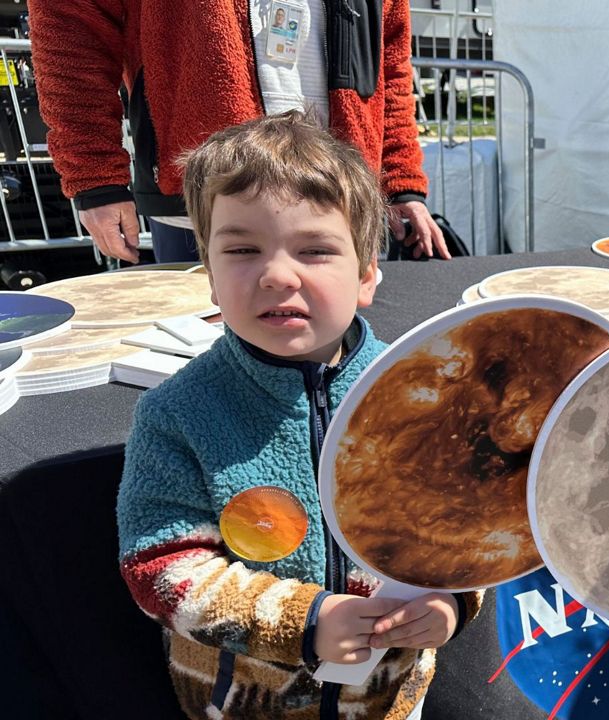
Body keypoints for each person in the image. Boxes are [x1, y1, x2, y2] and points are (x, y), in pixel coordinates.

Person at [116, 112, 479, 720]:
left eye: (314, 250)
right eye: (241, 249)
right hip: (243, 705)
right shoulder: (176, 415)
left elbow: (475, 530)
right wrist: (303, 621)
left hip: (391, 700)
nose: (278, 274)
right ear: (208, 274)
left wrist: (451, 602)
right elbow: (160, 566)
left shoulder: (424, 394)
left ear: (366, 276)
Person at [27, 0, 449, 264]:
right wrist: (96, 178)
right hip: (207, 201)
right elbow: (70, 27)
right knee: (208, 378)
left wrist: (399, 183)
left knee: (340, 374)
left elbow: (388, 61)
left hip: (341, 201)